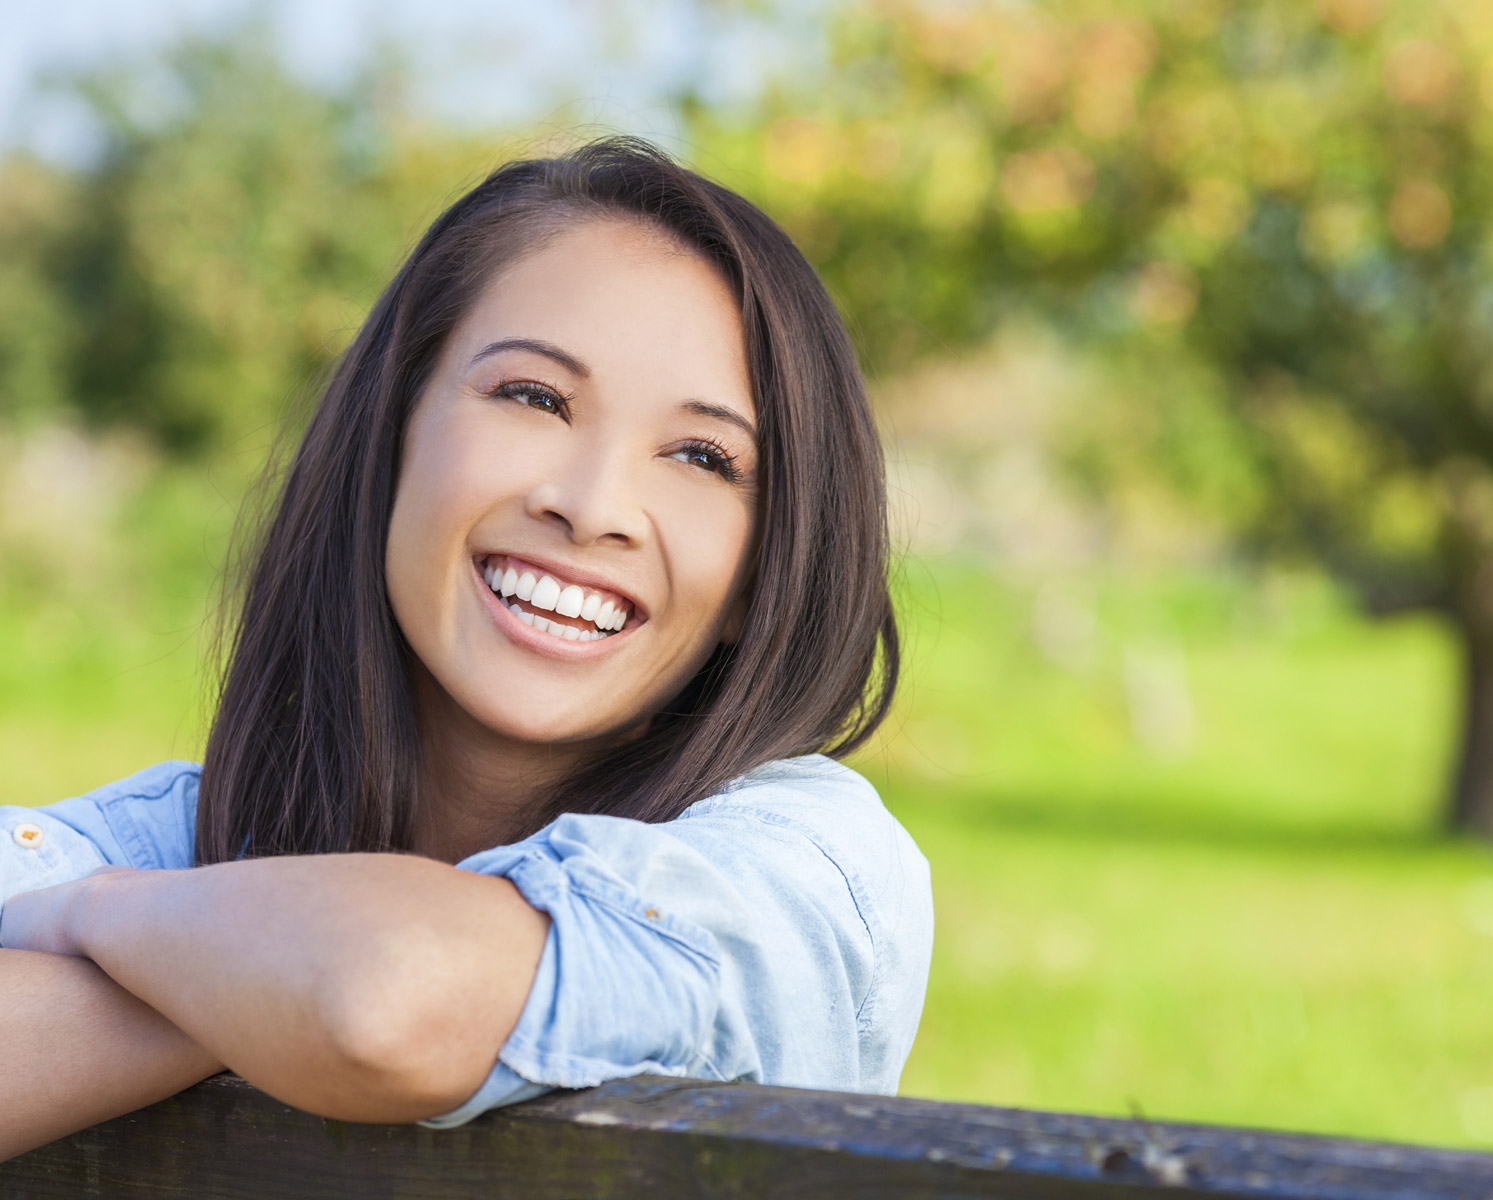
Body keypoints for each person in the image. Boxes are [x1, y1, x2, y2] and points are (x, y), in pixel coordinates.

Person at [0, 137, 932, 1159]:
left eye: (704, 456)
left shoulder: (803, 866)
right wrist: (249, 972)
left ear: (764, 575)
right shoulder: (181, 836)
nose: (589, 507)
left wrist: (101, 919)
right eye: (534, 397)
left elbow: (386, 1000)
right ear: (392, 434)